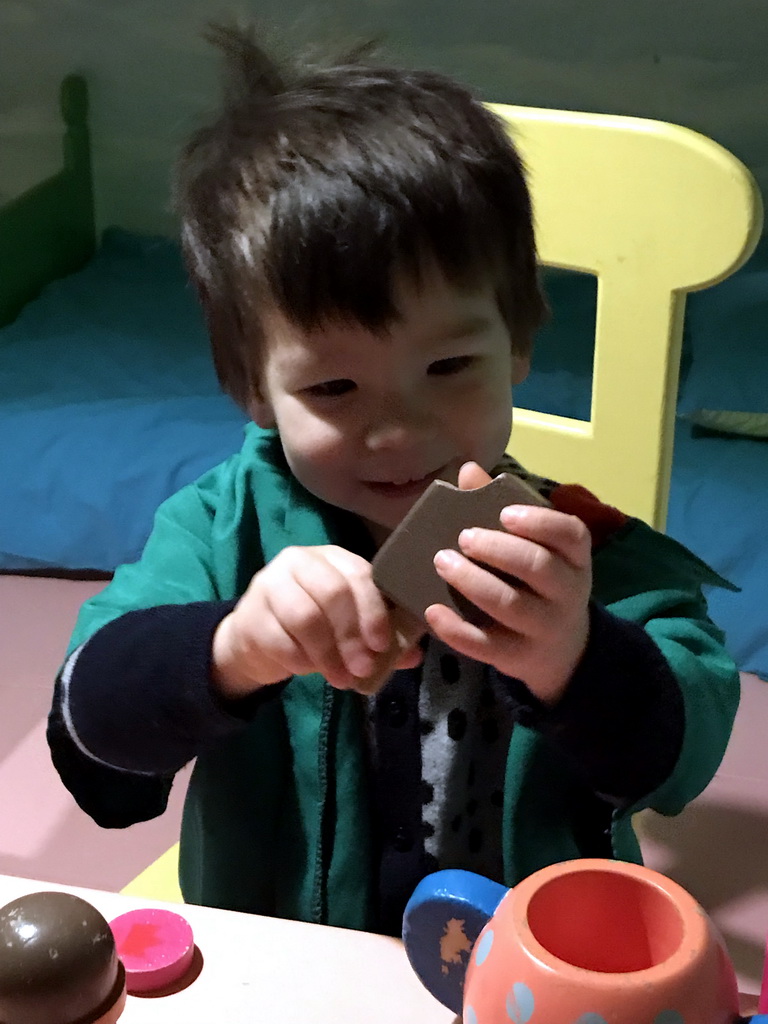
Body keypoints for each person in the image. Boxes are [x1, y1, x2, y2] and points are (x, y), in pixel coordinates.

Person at [47, 23, 738, 935]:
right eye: (334, 387)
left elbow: (680, 756)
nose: (399, 429)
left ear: (520, 342)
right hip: (294, 947)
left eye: (449, 367)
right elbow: (91, 742)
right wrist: (233, 650)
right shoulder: (222, 531)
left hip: (526, 953)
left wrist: (574, 656)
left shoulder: (571, 546)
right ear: (254, 389)